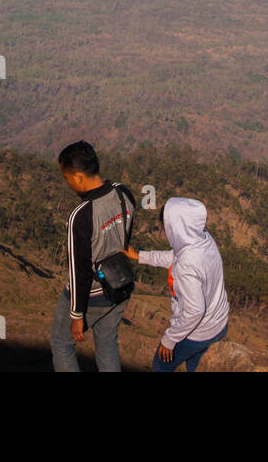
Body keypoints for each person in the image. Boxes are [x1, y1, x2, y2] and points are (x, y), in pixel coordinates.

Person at [50, 140, 136, 372]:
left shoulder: (81, 215)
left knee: (61, 344)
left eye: (67, 178)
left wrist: (77, 314)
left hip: (93, 294)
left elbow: (79, 270)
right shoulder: (123, 193)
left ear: (78, 177)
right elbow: (124, 239)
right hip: (121, 284)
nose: (68, 184)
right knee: (107, 344)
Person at [126, 197, 230, 372]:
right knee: (195, 367)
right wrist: (139, 256)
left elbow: (195, 311)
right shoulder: (204, 240)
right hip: (219, 323)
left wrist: (169, 339)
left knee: (160, 365)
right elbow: (174, 257)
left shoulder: (186, 264)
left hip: (198, 333)